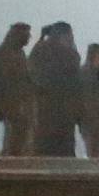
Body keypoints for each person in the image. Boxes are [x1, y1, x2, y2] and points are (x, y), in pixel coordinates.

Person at [28, 21, 83, 158]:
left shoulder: (38, 50)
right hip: (63, 106)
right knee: (63, 145)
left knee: (43, 143)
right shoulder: (69, 54)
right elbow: (74, 77)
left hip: (42, 105)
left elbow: (31, 74)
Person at [0, 23, 35, 157]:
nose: (29, 37)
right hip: (12, 105)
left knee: (21, 141)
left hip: (22, 105)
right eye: (26, 34)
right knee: (13, 142)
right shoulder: (3, 54)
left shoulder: (19, 53)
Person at [78, 40, 99, 161]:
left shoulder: (81, 72)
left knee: (95, 148)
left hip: (92, 115)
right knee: (96, 148)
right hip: (92, 114)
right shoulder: (90, 73)